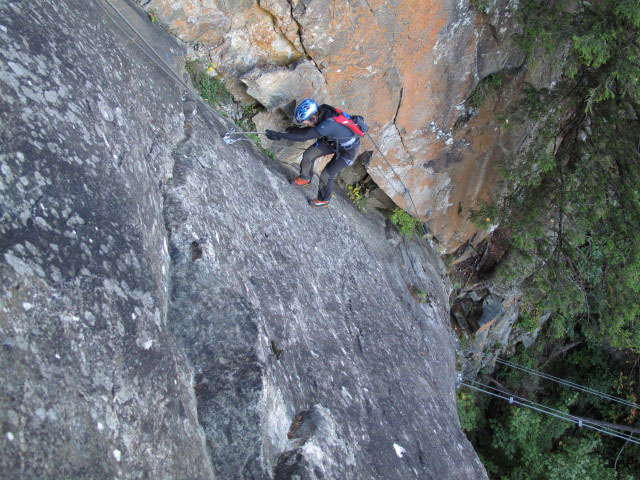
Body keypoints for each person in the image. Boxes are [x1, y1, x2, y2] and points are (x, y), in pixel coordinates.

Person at [265, 98, 361, 208]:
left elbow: (304, 136)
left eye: (305, 122)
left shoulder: (328, 124)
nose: (305, 125)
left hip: (348, 151)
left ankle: (323, 200)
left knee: (327, 174)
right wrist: (294, 130)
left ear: (313, 117)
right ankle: (305, 178)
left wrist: (279, 135)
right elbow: (307, 131)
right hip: (331, 141)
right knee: (309, 155)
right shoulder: (323, 111)